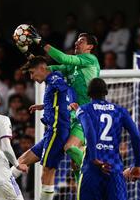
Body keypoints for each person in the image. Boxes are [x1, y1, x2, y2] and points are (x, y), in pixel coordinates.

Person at [19, 29, 100, 181]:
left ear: (90, 47)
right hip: (74, 115)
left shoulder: (90, 60)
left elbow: (62, 57)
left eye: (81, 41)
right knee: (75, 166)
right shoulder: (70, 68)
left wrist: (39, 41)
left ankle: (96, 168)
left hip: (87, 116)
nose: (77, 42)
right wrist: (27, 54)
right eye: (76, 40)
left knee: (70, 148)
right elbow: (45, 70)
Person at [70, 78, 140, 200]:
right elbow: (135, 135)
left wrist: (93, 157)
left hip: (91, 169)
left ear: (88, 94)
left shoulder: (84, 109)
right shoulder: (120, 111)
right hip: (114, 168)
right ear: (106, 92)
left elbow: (88, 130)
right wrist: (137, 164)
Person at [12, 56, 72, 200]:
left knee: (47, 170)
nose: (32, 77)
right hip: (51, 131)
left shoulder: (54, 79)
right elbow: (62, 97)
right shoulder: (50, 82)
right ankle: (0, 192)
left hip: (58, 130)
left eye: (32, 72)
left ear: (42, 68)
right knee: (21, 161)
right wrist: (45, 106)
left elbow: (67, 90)